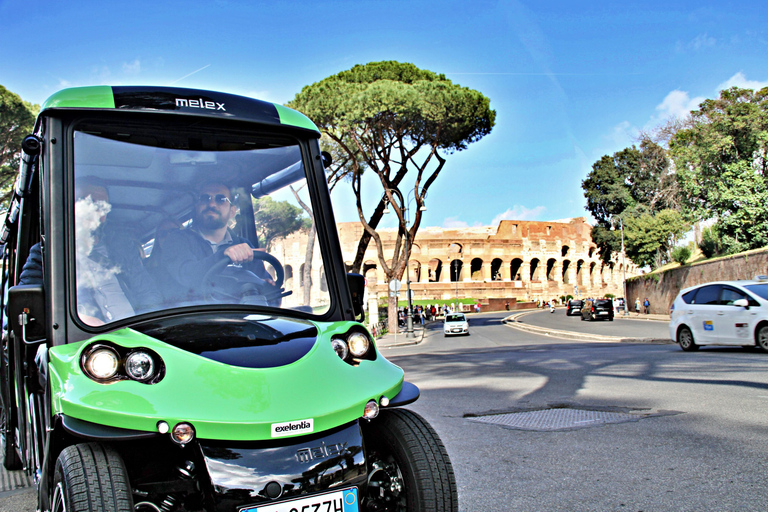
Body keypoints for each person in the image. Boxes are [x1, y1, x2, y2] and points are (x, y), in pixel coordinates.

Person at [155, 181, 276, 305]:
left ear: (232, 211)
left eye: (221, 199)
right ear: (197, 207)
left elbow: (272, 298)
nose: (211, 204)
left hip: (239, 319)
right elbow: (187, 275)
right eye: (205, 198)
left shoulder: (244, 245)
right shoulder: (177, 240)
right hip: (189, 319)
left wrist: (269, 289)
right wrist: (223, 256)